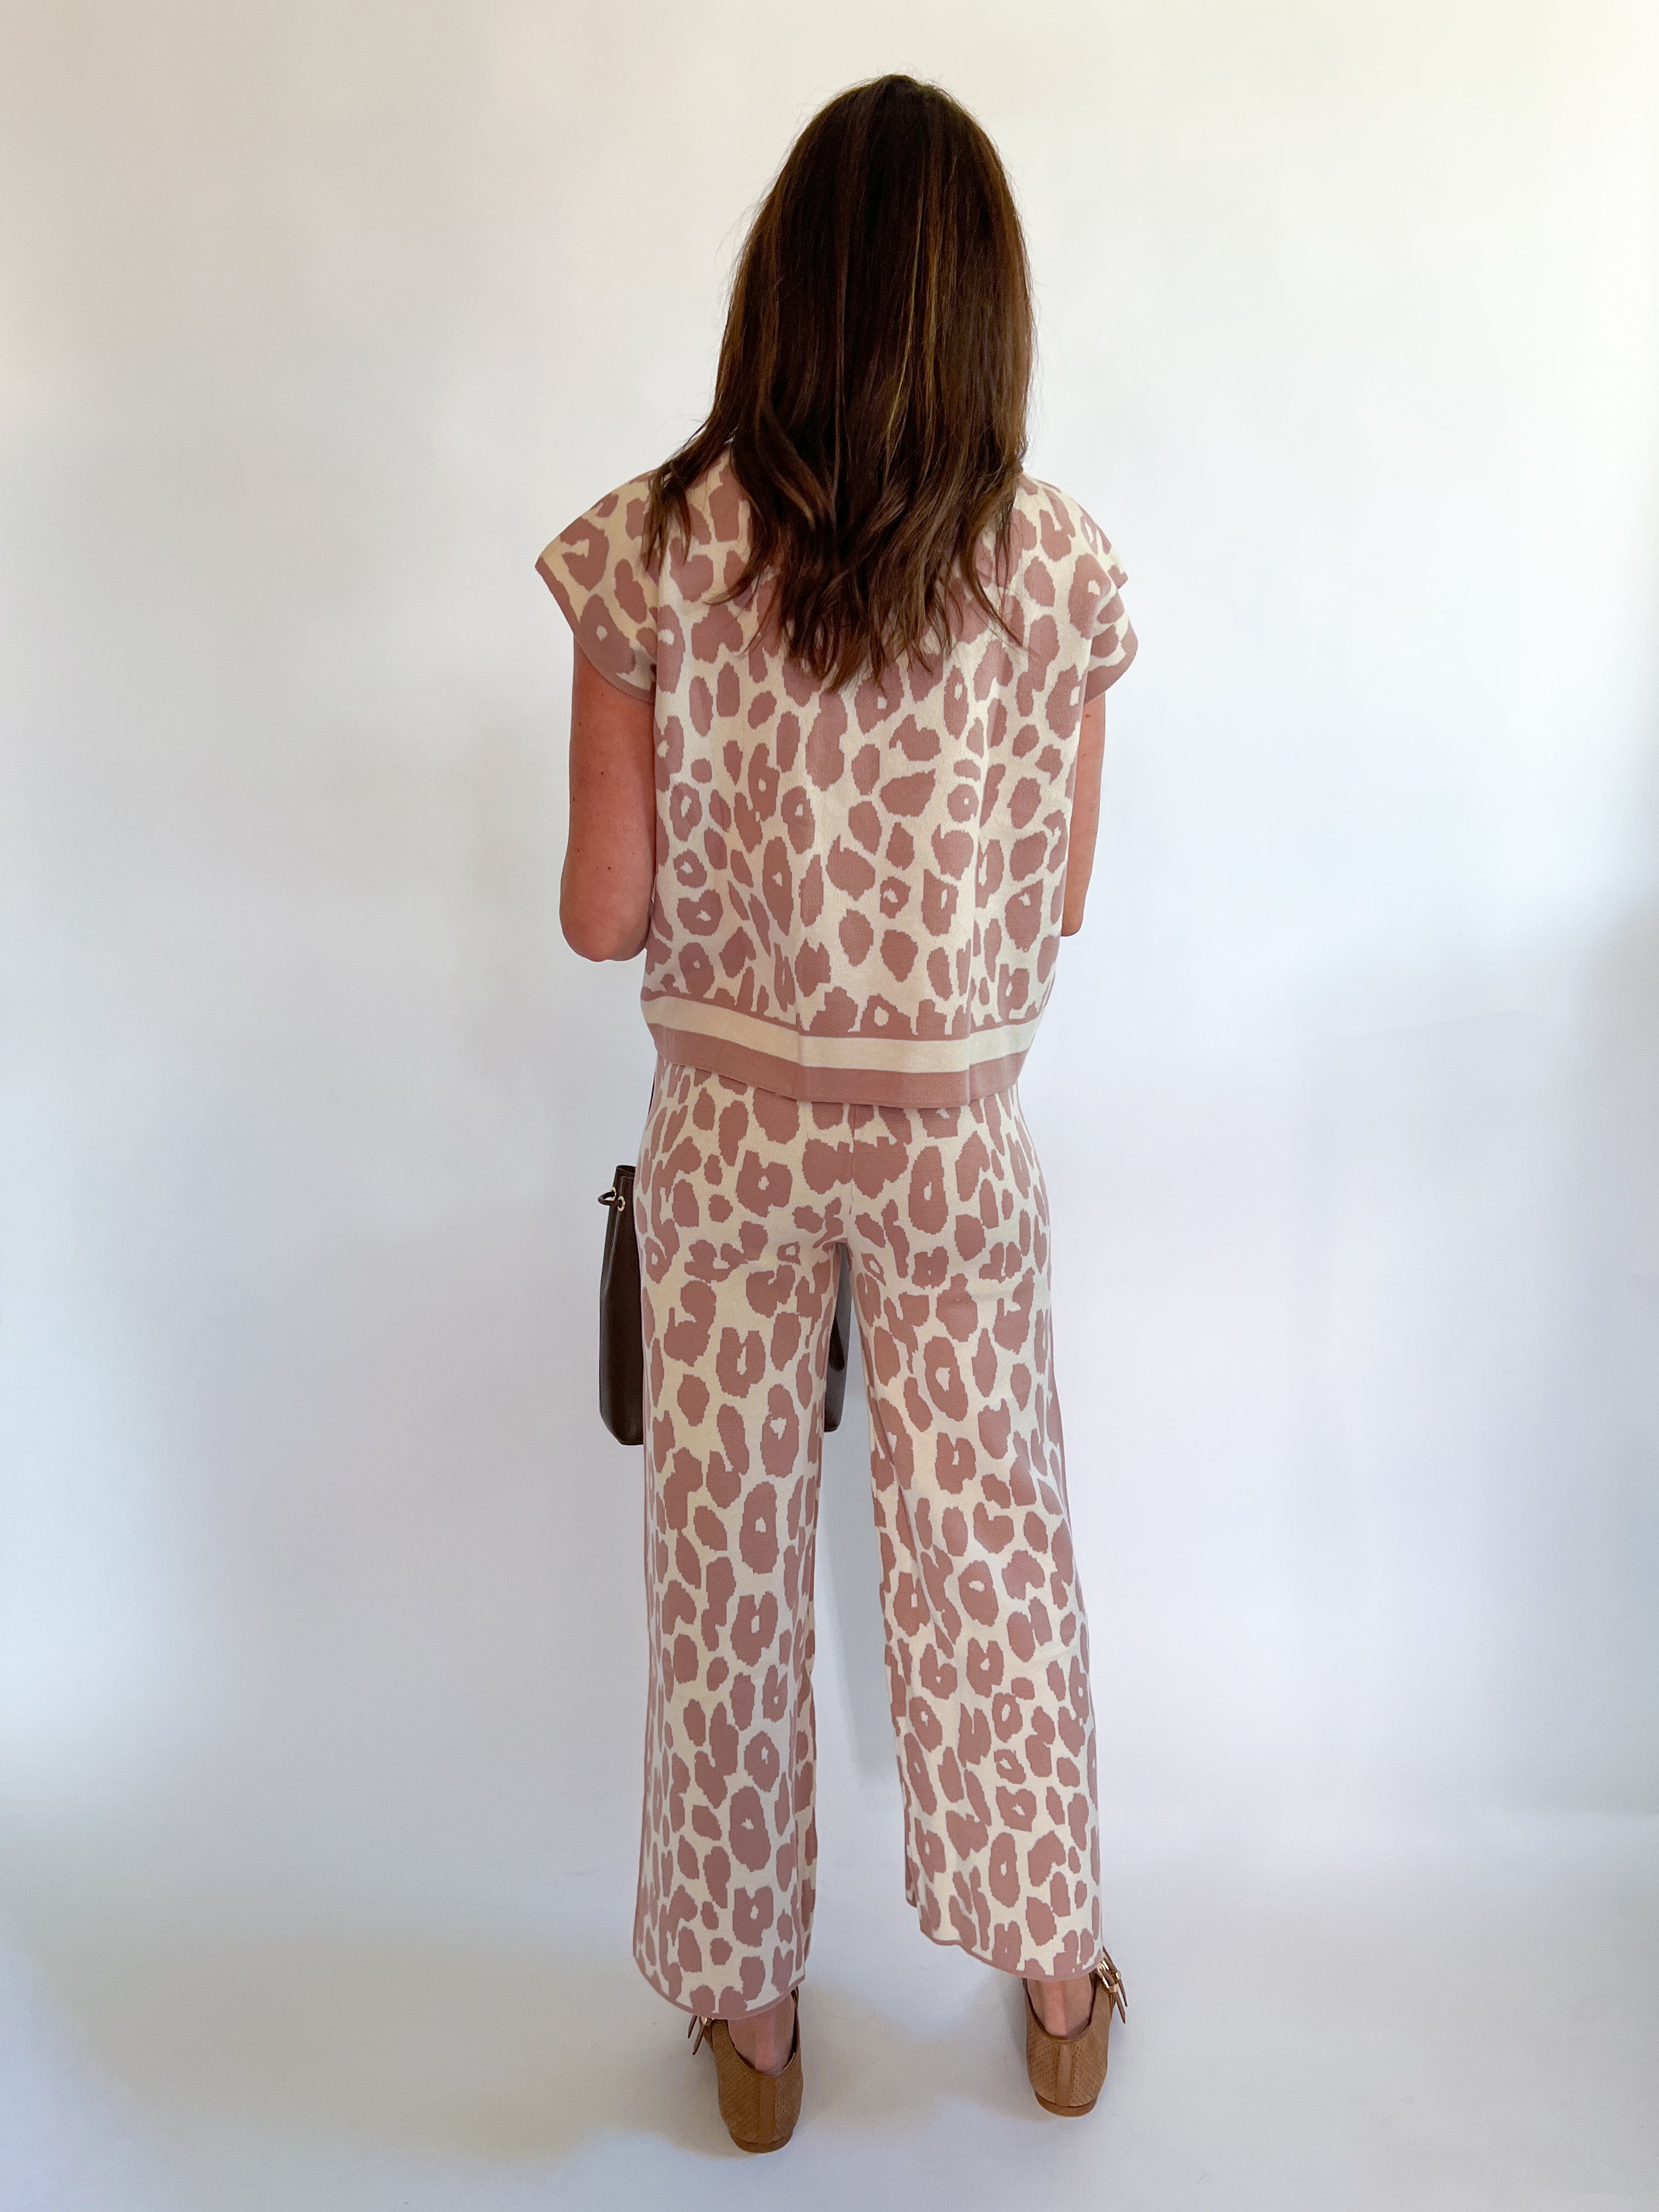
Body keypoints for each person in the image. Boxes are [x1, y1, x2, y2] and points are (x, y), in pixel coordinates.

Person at [537, 72, 1137, 2152]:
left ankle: (757, 2026)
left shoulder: (650, 548)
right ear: (988, 312)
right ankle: (1058, 1987)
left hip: (733, 1136)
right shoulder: (1058, 570)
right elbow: (1062, 899)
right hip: (957, 1141)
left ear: (778, 286)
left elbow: (602, 911)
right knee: (993, 1547)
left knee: (724, 1565)